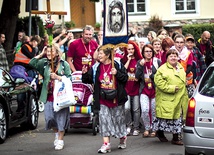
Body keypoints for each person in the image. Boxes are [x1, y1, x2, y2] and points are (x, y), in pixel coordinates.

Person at [82, 46, 128, 153]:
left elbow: (125, 78)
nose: (99, 56)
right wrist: (84, 73)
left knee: (118, 120)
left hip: (116, 98)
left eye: (101, 54)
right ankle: (106, 144)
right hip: (102, 98)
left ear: (108, 55)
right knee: (104, 120)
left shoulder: (117, 64)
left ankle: (122, 138)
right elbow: (88, 80)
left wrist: (117, 73)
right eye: (99, 53)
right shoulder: (96, 67)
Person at [29, 43, 71, 150]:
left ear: (57, 53)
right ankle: (56, 133)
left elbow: (69, 79)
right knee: (49, 118)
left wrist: (58, 77)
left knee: (61, 118)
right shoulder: (44, 63)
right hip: (48, 95)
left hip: (61, 96)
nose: (49, 53)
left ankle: (60, 139)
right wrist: (41, 54)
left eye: (51, 51)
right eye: (47, 52)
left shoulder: (64, 64)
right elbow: (31, 63)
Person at [153, 49, 189, 145]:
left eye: (175, 56)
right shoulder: (162, 69)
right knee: (164, 118)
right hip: (167, 98)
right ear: (167, 58)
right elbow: (159, 83)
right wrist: (171, 88)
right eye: (171, 56)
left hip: (180, 97)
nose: (173, 58)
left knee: (178, 118)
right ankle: (160, 133)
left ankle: (175, 137)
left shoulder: (180, 67)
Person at [135, 44, 161, 138]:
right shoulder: (140, 62)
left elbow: (160, 76)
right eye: (146, 51)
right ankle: (147, 128)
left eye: (150, 51)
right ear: (143, 53)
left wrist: (152, 76)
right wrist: (140, 66)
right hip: (144, 89)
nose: (149, 53)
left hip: (154, 90)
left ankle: (154, 129)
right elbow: (136, 77)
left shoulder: (157, 61)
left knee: (154, 110)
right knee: (145, 110)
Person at [121, 40, 142, 136]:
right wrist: (128, 59)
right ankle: (128, 126)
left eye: (132, 49)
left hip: (136, 88)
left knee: (136, 109)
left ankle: (136, 127)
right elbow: (123, 70)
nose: (131, 51)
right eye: (129, 49)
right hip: (126, 88)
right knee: (126, 108)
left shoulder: (139, 60)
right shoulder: (123, 60)